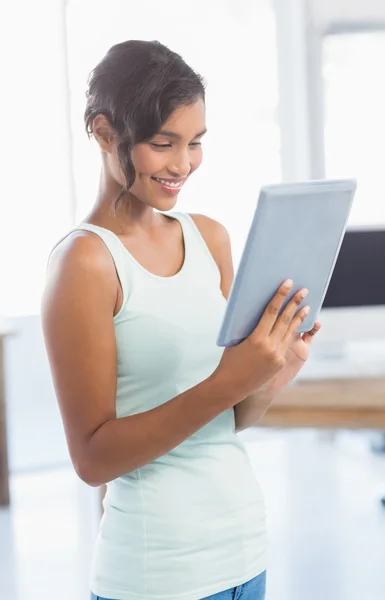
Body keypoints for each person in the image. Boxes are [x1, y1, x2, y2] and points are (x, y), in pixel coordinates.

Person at [41, 40, 320, 600]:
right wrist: (229, 380)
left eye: (195, 144)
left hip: (244, 555)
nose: (183, 164)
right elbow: (92, 459)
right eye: (163, 143)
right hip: (157, 576)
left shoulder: (209, 238)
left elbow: (228, 419)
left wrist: (272, 370)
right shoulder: (86, 262)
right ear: (103, 133)